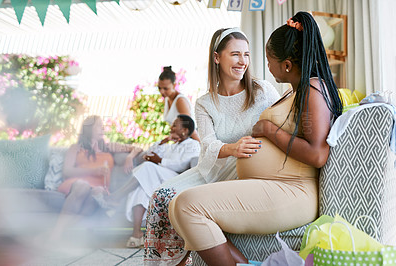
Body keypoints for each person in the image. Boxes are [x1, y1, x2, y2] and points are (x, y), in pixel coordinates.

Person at [168, 11, 343, 266]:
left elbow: (317, 155)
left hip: (293, 192)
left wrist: (268, 130)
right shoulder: (298, 91)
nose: (265, 66)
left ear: (286, 64)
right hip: (275, 186)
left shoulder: (313, 89)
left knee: (187, 205)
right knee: (176, 206)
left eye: (269, 60)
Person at [144, 28, 280, 265]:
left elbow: (282, 123)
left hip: (246, 171)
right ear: (217, 57)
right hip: (212, 169)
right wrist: (232, 148)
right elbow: (207, 143)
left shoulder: (262, 91)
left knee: (186, 207)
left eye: (246, 55)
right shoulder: (205, 102)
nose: (242, 61)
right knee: (161, 197)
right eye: (235, 54)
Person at [49, 115, 142, 241]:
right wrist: (94, 170)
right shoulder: (76, 148)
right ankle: (56, 235)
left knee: (93, 201)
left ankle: (53, 234)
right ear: (89, 128)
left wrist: (130, 157)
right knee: (83, 186)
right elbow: (67, 172)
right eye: (99, 125)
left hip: (97, 190)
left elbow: (137, 148)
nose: (103, 128)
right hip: (76, 185)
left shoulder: (108, 147)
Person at [122, 115, 200, 248]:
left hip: (176, 179)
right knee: (140, 189)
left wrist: (159, 161)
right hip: (159, 178)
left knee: (147, 167)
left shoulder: (193, 145)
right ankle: (137, 234)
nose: (171, 127)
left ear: (185, 130)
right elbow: (148, 153)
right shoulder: (171, 145)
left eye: (175, 125)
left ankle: (117, 195)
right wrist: (164, 141)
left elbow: (182, 165)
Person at [158, 66, 200, 142]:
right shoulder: (167, 99)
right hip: (180, 140)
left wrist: (200, 144)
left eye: (165, 88)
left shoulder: (180, 101)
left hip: (190, 139)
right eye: (159, 88)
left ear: (174, 85)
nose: (162, 92)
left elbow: (189, 127)